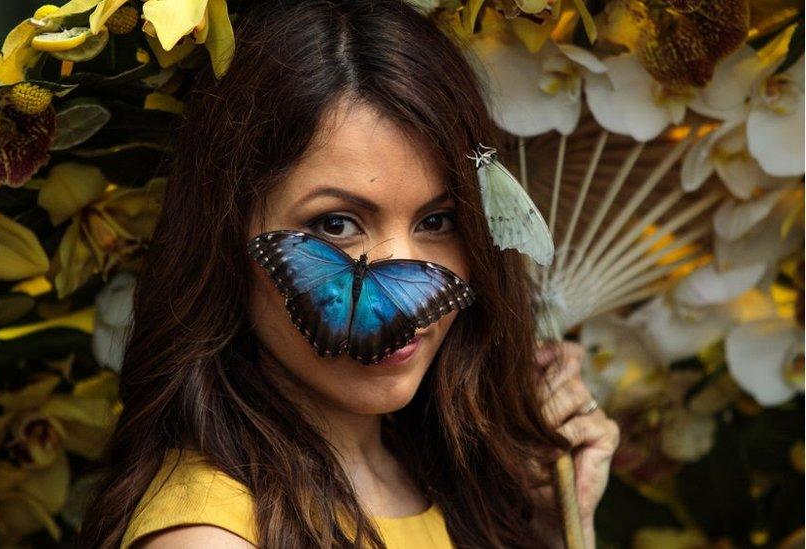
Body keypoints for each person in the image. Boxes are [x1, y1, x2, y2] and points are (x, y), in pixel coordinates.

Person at [78, 0, 620, 547]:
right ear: (227, 238)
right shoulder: (211, 537)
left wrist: (557, 527)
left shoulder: (450, 485)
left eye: (439, 220)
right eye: (336, 224)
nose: (402, 300)